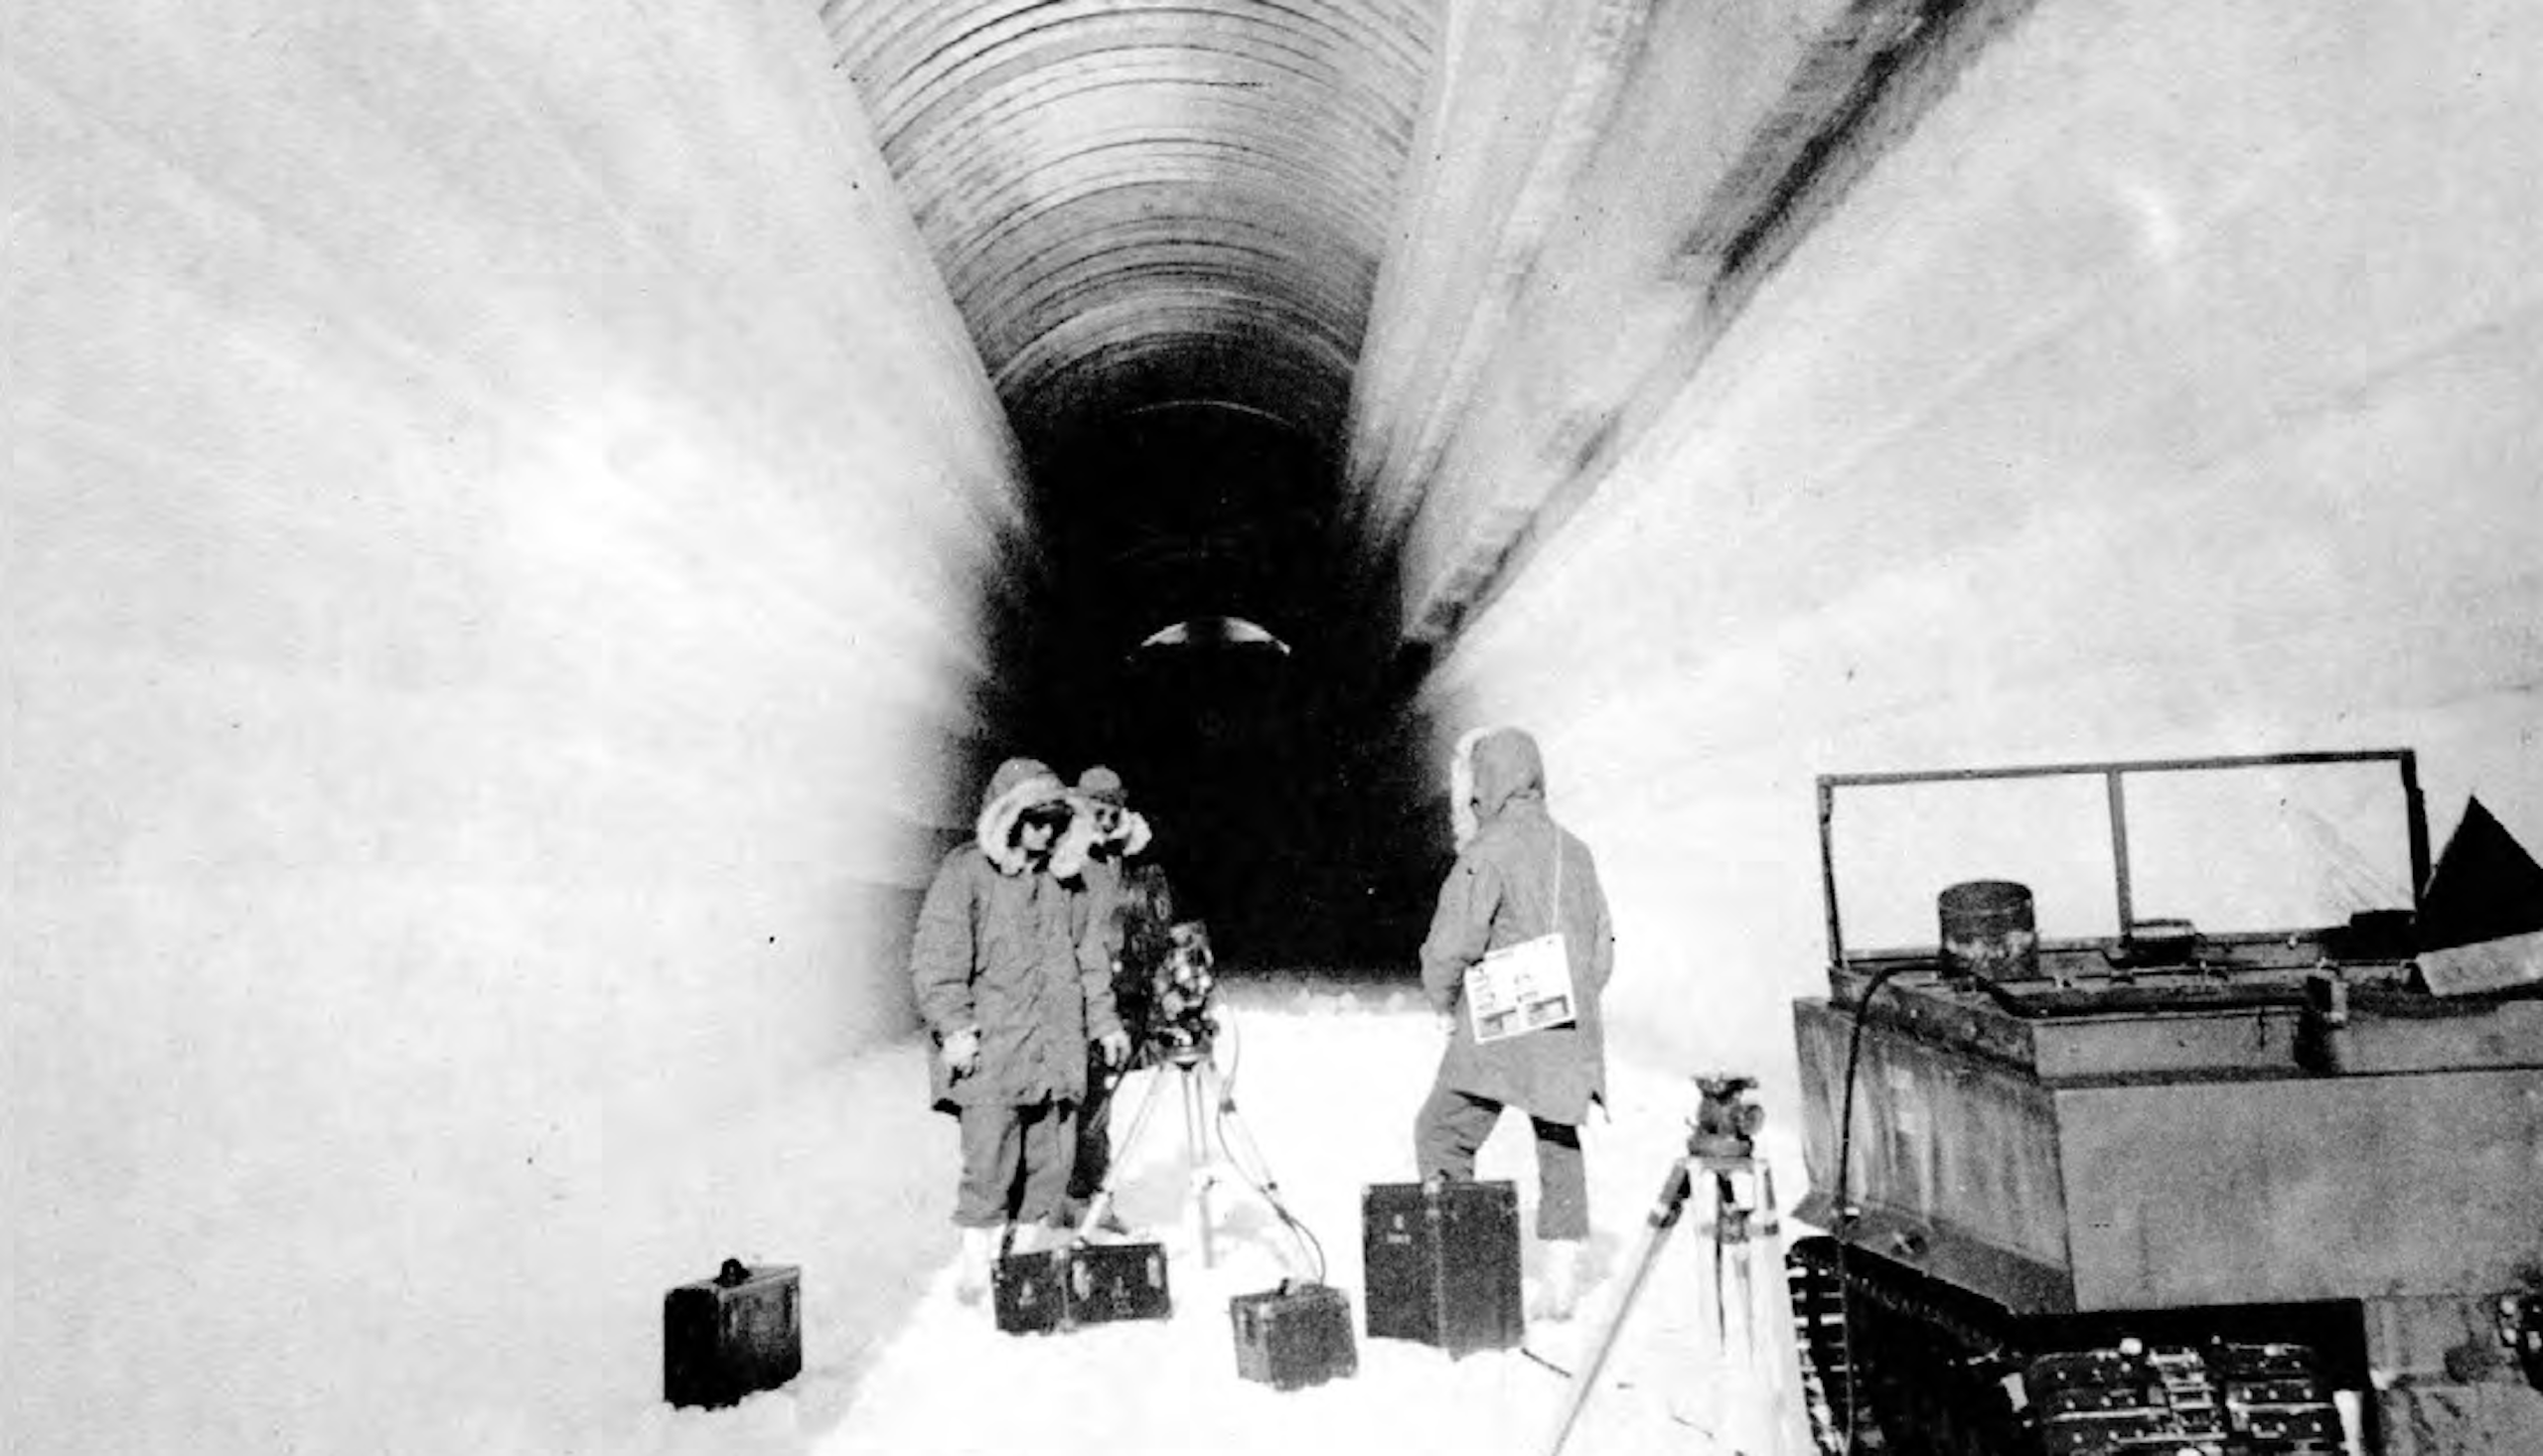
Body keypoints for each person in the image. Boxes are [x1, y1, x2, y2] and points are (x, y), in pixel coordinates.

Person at [910, 756, 1131, 1301]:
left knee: (1051, 1166)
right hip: (993, 1054)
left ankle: (1028, 1269)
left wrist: (1103, 1022)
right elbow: (937, 961)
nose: (1045, 830)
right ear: (1008, 818)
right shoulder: (966, 873)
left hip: (1056, 1051)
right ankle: (976, 1269)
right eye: (1035, 818)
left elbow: (1090, 960)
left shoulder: (1070, 885)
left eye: (1057, 820)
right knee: (988, 1165)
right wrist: (954, 1028)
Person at [1414, 726, 1616, 1320]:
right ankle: (1562, 1271)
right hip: (1565, 1022)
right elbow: (1602, 951)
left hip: (1498, 1023)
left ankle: (1466, 1267)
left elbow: (1451, 945)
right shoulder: (1576, 851)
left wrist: (1446, 1002)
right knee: (1557, 1134)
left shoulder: (1486, 852)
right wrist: (1570, 996)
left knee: (1443, 1131)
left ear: (1486, 782)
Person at [1059, 765, 1171, 1232]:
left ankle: (1091, 1194)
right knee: (1073, 1101)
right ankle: (1065, 1196)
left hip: (1118, 996)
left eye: (1111, 812)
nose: (1103, 821)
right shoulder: (1065, 861)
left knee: (1100, 1102)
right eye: (1094, 811)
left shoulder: (1132, 862)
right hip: (1075, 996)